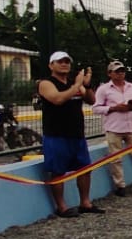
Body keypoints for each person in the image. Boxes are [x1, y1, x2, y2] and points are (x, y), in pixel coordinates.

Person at [38, 51, 101, 218]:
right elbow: (57, 99)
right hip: (56, 135)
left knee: (85, 168)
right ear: (51, 65)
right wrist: (76, 86)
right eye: (60, 61)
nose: (64, 64)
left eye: (67, 61)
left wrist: (86, 85)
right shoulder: (46, 83)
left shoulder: (75, 84)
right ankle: (62, 207)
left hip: (76, 134)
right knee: (58, 171)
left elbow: (92, 100)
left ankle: (85, 203)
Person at [93, 60, 132, 196]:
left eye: (122, 71)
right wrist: (113, 108)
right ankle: (120, 185)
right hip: (114, 128)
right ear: (110, 73)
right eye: (117, 71)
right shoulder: (104, 89)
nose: (120, 74)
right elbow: (96, 108)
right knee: (116, 159)